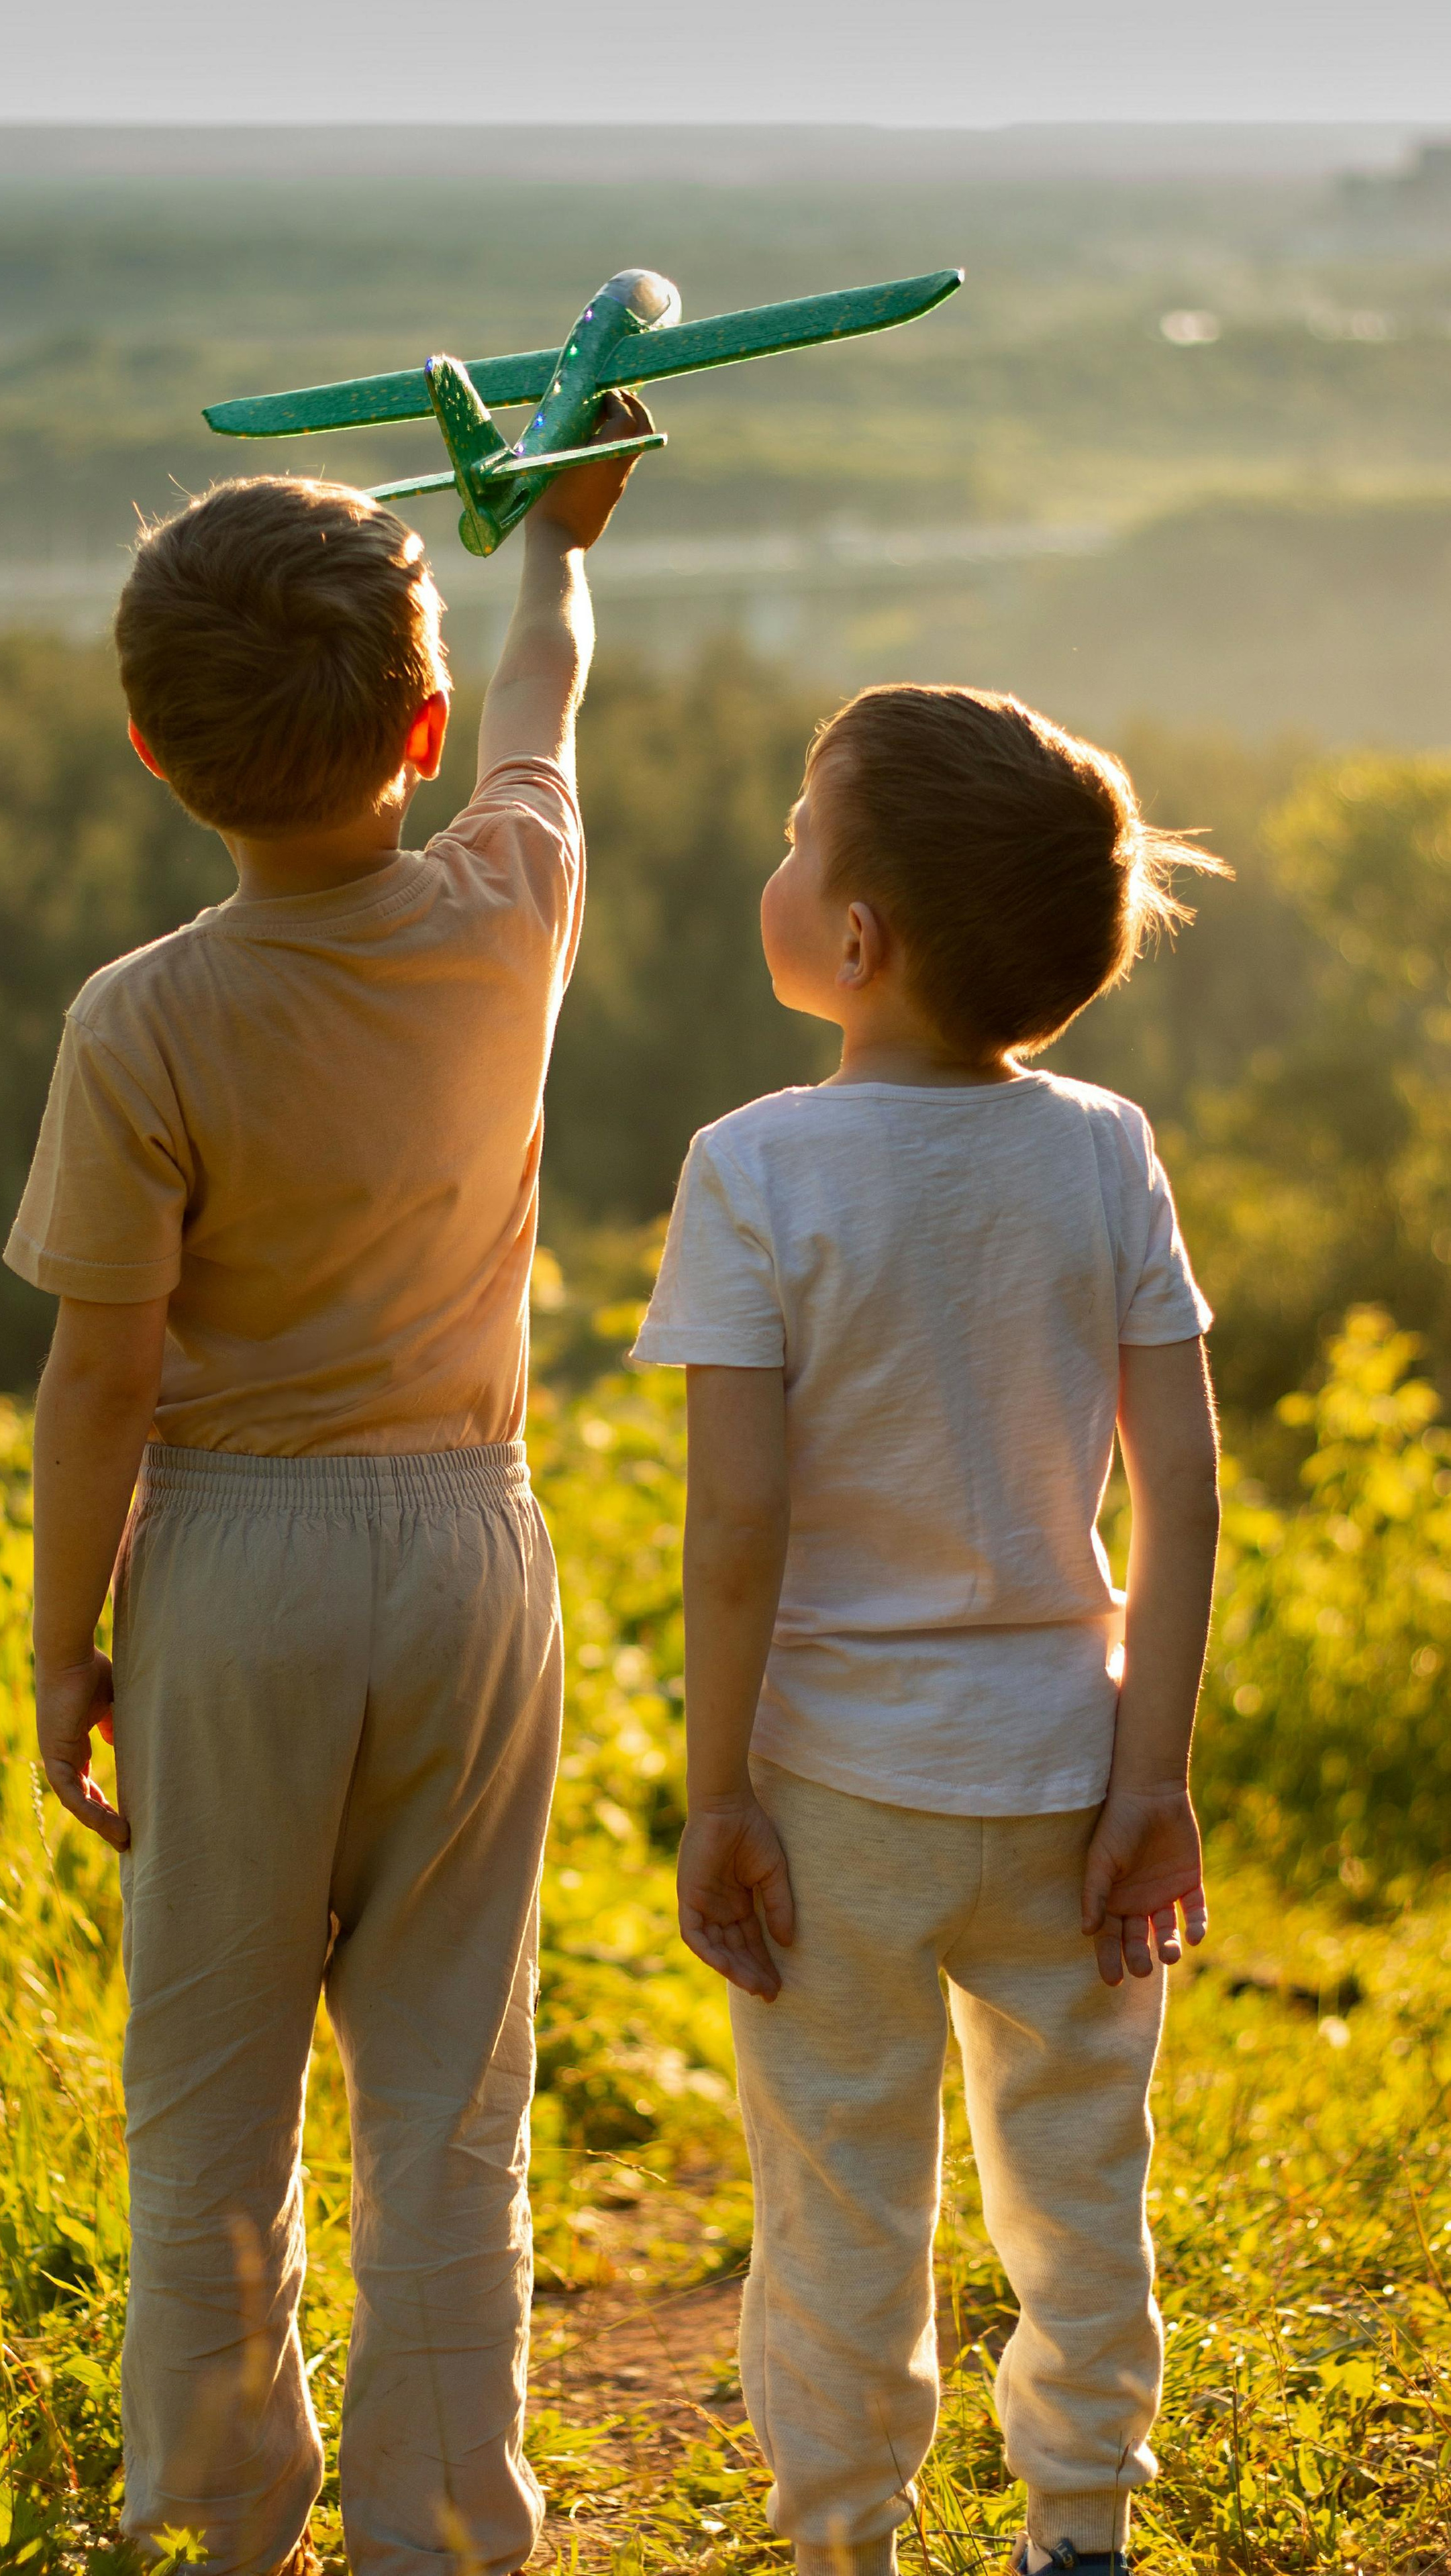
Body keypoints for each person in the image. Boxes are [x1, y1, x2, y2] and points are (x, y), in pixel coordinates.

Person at [5, 404, 650, 2576]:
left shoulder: (141, 1024)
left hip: (232, 1564)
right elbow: (548, 700)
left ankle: (214, 2514)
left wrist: (59, 1653)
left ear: (152, 752)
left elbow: (99, 1375)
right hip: (469, 1548)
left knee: (208, 2098)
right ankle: (447, 2533)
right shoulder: (510, 912)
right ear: (421, 720)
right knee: (449, 2098)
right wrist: (559, 538)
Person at [632, 684, 1223, 2576]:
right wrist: (1156, 1775)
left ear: (859, 937)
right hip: (1067, 1767)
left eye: (802, 838)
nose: (779, 866)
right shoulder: (1106, 1147)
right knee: (1078, 2186)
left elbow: (740, 1529)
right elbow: (1188, 1495)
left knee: (840, 2204)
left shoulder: (756, 1168)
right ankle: (1079, 2532)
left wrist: (714, 1793)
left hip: (837, 1798)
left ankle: (844, 2540)